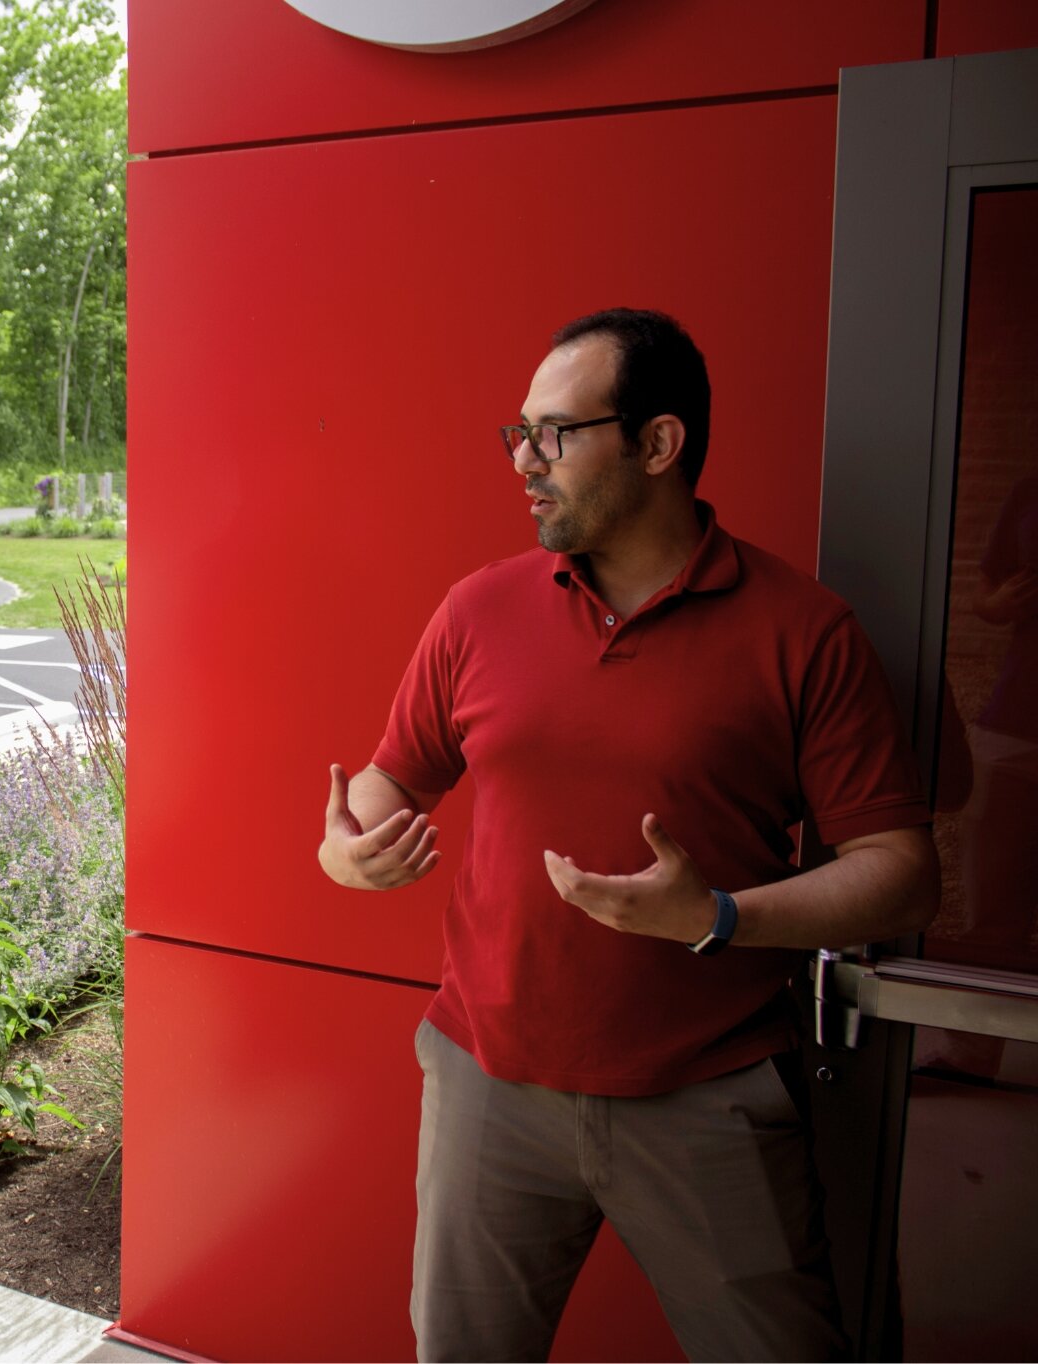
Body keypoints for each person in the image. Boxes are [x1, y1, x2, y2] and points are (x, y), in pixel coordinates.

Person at [317, 310, 939, 1362]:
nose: (523, 460)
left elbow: (901, 873)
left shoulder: (802, 630)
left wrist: (719, 916)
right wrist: (344, 850)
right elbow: (387, 778)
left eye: (554, 433)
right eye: (517, 432)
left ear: (657, 444)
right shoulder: (476, 610)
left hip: (708, 1097)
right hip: (488, 1084)